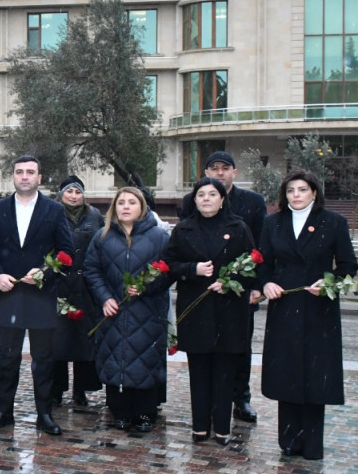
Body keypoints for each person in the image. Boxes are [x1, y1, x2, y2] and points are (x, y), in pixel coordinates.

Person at [256, 169, 358, 459]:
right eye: (290, 190)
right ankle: (289, 441)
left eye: (302, 190)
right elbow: (263, 262)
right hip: (284, 307)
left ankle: (313, 444)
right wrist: (267, 283)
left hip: (318, 308)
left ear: (314, 192)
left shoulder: (333, 223)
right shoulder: (272, 222)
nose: (296, 195)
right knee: (287, 372)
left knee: (315, 375)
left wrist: (329, 283)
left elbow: (348, 264)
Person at [0, 155, 75, 436]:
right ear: (13, 176)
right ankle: (4, 412)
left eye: (30, 172)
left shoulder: (54, 210)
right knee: (7, 358)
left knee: (43, 359)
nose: (24, 176)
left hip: (41, 294)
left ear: (39, 178)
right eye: (19, 172)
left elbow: (66, 251)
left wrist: (46, 271)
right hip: (8, 293)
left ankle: (44, 414)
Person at [163, 177, 255, 445]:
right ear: (194, 199)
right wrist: (193, 269)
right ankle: (200, 426)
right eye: (201, 194)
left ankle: (223, 428)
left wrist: (231, 284)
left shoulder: (238, 228)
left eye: (212, 194)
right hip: (197, 311)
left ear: (222, 199)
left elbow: (253, 265)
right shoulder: (183, 229)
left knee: (225, 373)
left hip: (230, 312)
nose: (206, 199)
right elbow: (169, 264)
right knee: (199, 373)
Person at [179, 151, 266, 423]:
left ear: (234, 172)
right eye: (213, 168)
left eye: (225, 168)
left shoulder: (252, 203)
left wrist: (256, 286)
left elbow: (259, 249)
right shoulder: (190, 201)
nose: (219, 173)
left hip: (237, 292)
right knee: (203, 350)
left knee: (238, 347)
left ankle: (240, 399)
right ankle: (209, 407)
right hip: (202, 292)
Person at [83, 185, 172, 433]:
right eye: (121, 203)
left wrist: (148, 287)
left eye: (131, 202)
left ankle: (145, 412)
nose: (125, 207)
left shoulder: (159, 237)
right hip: (114, 311)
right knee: (116, 358)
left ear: (141, 207)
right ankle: (119, 411)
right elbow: (92, 270)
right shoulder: (102, 236)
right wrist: (104, 297)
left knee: (145, 360)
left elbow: (169, 270)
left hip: (148, 311)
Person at [50, 176, 103, 410]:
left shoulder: (94, 216)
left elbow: (101, 245)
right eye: (69, 191)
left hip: (87, 288)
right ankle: (56, 390)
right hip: (60, 285)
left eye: (77, 192)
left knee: (86, 342)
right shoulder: (52, 213)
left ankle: (81, 390)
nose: (73, 196)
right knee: (58, 342)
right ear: (61, 194)